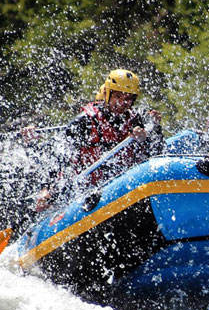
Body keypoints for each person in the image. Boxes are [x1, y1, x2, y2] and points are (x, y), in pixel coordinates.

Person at [25, 69, 161, 210]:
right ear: (107, 94)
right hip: (83, 188)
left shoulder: (137, 119)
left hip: (118, 184)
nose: (122, 103)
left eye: (128, 98)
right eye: (117, 96)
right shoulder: (85, 121)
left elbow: (157, 151)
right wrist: (47, 188)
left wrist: (152, 131)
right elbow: (58, 154)